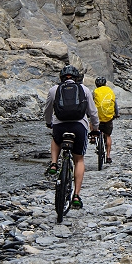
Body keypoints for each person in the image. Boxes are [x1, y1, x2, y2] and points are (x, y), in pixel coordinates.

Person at [44, 65, 100, 209]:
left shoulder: (54, 90)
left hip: (60, 126)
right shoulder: (84, 89)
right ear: (76, 78)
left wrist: (49, 122)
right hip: (79, 126)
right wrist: (95, 128)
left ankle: (54, 163)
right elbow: (92, 112)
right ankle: (76, 195)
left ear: (61, 78)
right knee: (79, 160)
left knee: (56, 139)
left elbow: (48, 109)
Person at [91, 76, 119, 163]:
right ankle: (108, 156)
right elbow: (115, 104)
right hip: (108, 117)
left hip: (98, 117)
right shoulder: (110, 91)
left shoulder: (95, 92)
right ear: (105, 84)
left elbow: (91, 104)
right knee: (107, 135)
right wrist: (116, 114)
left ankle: (93, 136)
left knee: (92, 120)